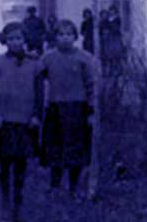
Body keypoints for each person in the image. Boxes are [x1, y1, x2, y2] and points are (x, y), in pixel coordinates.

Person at [0, 22, 42, 222]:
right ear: (5, 41)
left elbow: (40, 93)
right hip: (3, 121)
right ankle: (5, 200)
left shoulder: (35, 64)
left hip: (25, 121)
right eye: (11, 39)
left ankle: (18, 200)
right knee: (3, 162)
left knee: (20, 162)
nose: (15, 42)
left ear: (25, 40)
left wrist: (36, 115)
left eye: (19, 38)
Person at [39, 19, 96, 198]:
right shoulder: (47, 58)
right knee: (55, 147)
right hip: (55, 107)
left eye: (69, 34)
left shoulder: (84, 58)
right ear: (55, 37)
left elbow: (91, 85)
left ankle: (74, 186)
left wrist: (91, 110)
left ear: (75, 36)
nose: (65, 38)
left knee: (75, 148)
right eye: (61, 34)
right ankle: (54, 185)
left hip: (77, 108)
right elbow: (37, 76)